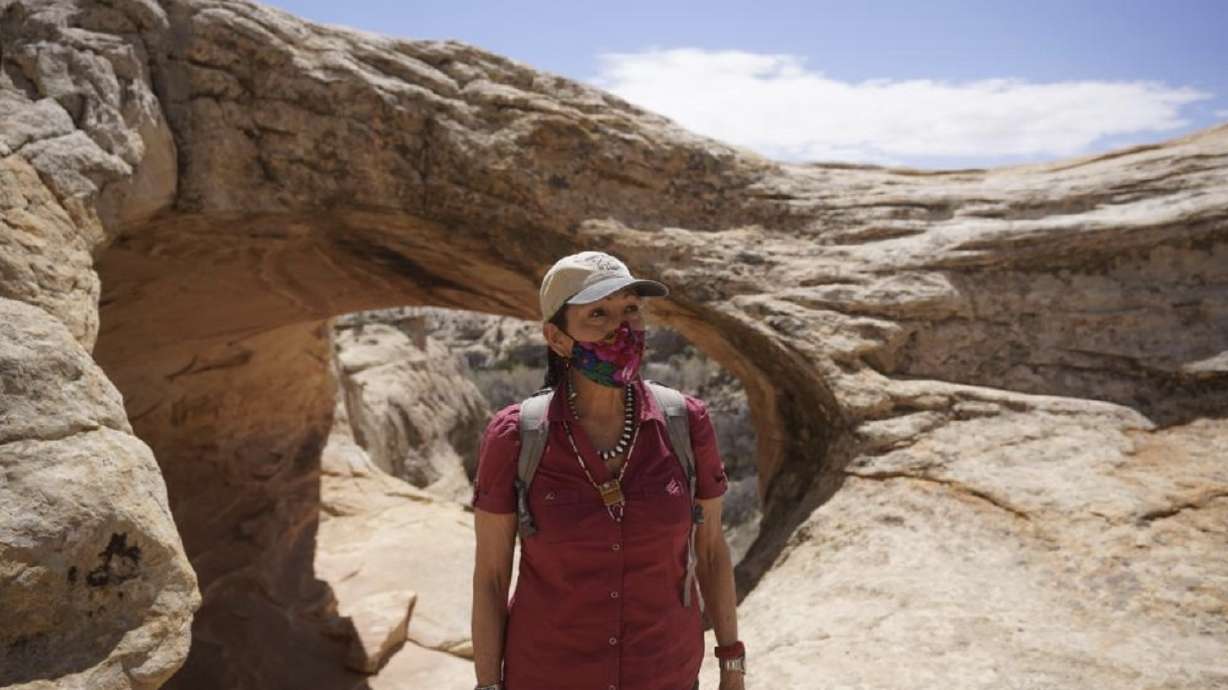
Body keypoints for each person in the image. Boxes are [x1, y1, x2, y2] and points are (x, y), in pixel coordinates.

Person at [469, 250, 747, 690]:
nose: (621, 328)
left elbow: (711, 551)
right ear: (558, 339)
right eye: (598, 313)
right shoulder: (517, 437)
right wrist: (487, 685)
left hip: (665, 674)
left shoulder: (684, 423)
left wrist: (732, 664)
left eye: (630, 310)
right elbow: (491, 576)